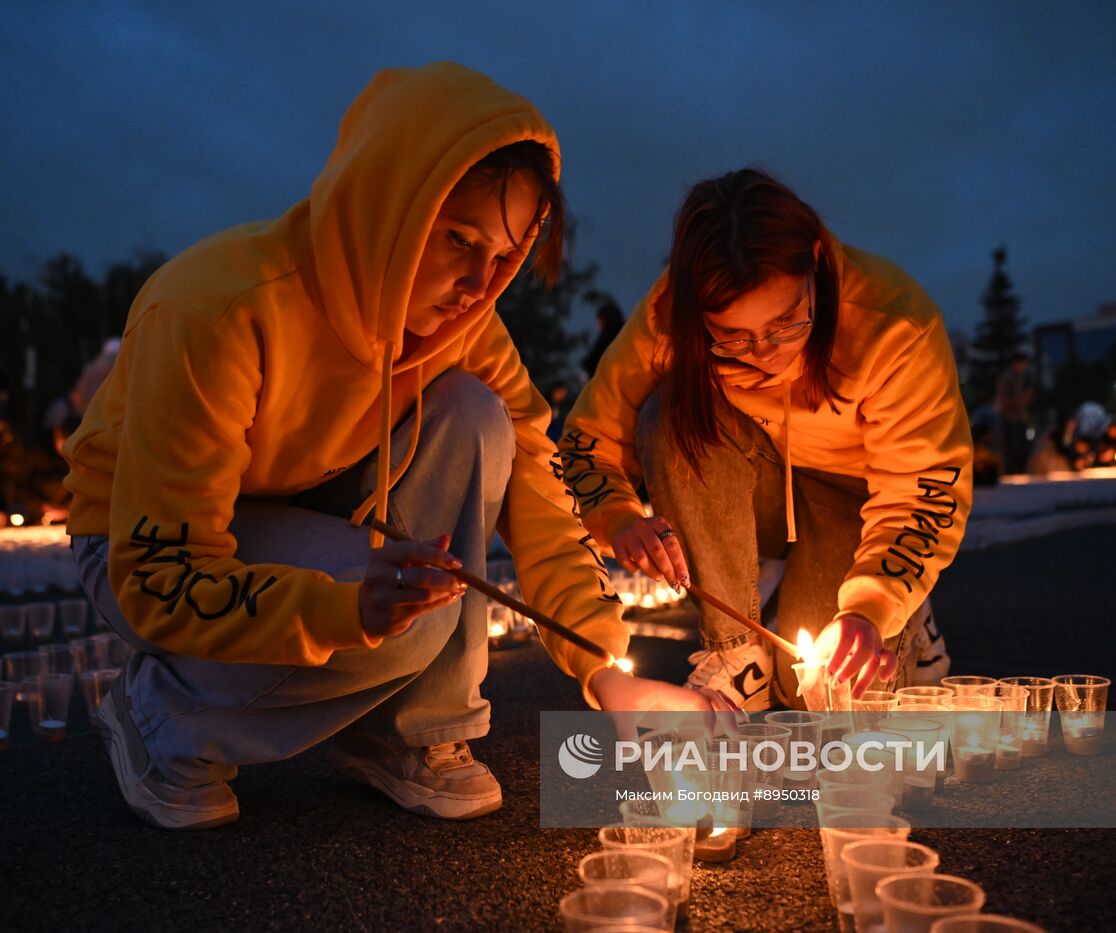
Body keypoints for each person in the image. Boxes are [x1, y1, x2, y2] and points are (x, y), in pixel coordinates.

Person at [61, 63, 727, 832]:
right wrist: (346, 608)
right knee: (412, 623)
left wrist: (610, 673)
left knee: (479, 414)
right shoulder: (217, 311)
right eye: (457, 240)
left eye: (505, 256)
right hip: (138, 544)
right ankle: (158, 720)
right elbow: (159, 573)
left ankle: (409, 730)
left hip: (310, 505)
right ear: (388, 208)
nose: (479, 281)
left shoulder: (473, 336)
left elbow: (544, 505)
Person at [561, 168, 970, 711]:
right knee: (670, 411)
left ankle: (909, 629)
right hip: (751, 479)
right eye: (732, 336)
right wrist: (616, 516)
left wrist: (871, 609)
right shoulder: (670, 316)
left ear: (817, 262)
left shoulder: (893, 325)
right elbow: (591, 433)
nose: (763, 351)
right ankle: (736, 654)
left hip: (857, 499)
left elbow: (923, 492)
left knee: (820, 694)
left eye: (786, 323)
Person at [994, 353, 1033, 474]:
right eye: (1022, 364)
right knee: (1011, 448)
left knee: (1023, 447)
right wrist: (1019, 400)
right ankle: (1011, 472)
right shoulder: (1007, 378)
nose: (1023, 367)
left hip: (1021, 418)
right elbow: (1002, 400)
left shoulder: (1022, 378)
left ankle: (1021, 471)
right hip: (1009, 419)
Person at [582, 298, 626, 378]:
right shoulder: (626, 331)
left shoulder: (608, 337)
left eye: (599, 321)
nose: (598, 325)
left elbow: (592, 361)